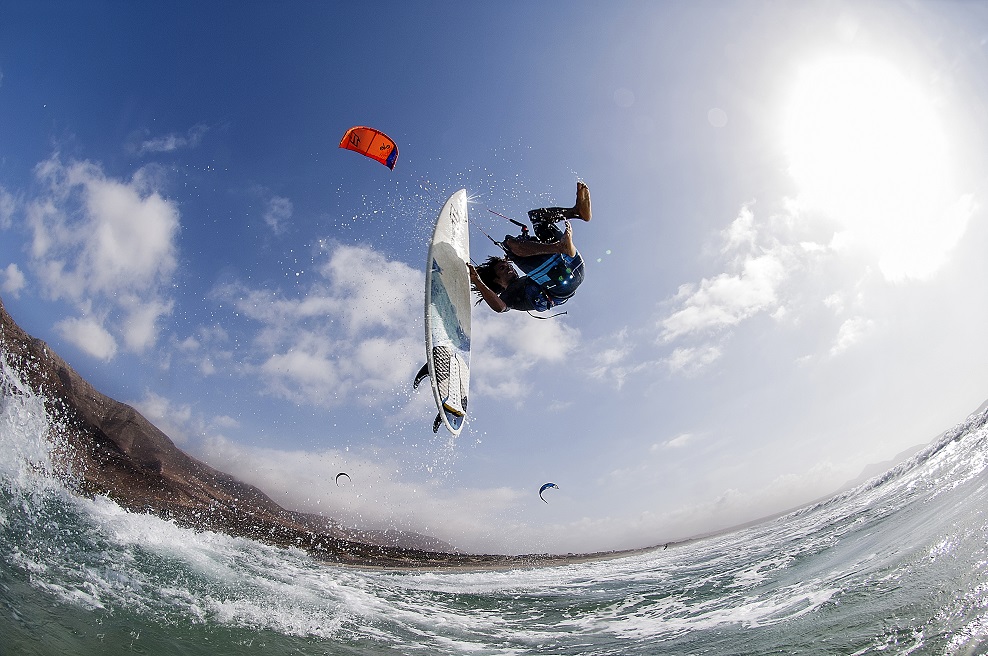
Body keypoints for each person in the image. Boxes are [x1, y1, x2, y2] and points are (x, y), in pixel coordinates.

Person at [469, 182, 591, 313]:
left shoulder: (526, 277)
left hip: (573, 265)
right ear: (496, 280)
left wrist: (524, 246)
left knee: (538, 218)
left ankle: (576, 212)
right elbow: (500, 307)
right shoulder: (509, 296)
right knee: (508, 244)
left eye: (507, 265)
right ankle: (561, 247)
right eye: (502, 268)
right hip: (561, 283)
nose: (509, 267)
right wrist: (477, 281)